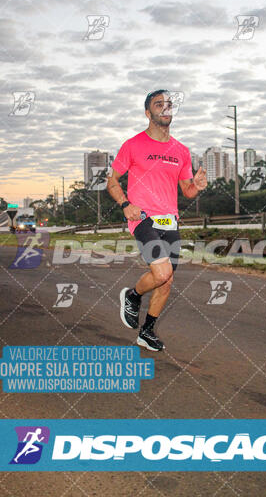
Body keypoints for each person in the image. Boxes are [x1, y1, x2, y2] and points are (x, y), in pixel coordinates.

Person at [107, 90, 207, 351]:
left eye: (168, 105)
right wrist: (125, 204)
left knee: (167, 279)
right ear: (148, 113)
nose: (165, 108)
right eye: (158, 104)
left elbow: (186, 190)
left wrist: (197, 186)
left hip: (170, 222)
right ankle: (132, 295)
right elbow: (112, 181)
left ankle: (146, 331)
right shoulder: (133, 145)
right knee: (161, 272)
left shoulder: (181, 151)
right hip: (143, 218)